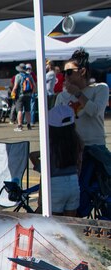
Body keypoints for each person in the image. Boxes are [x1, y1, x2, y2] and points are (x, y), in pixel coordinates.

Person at [55, 48, 111, 217]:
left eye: (69, 72)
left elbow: (94, 111)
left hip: (95, 148)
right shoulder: (62, 97)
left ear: (83, 71)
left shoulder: (100, 88)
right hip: (72, 151)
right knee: (73, 195)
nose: (65, 76)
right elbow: (57, 124)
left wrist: (78, 94)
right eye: (64, 72)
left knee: (104, 192)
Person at [29, 105, 83, 216]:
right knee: (70, 224)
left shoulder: (50, 144)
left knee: (53, 225)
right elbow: (79, 164)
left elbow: (35, 158)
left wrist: (37, 160)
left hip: (55, 184)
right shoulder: (77, 141)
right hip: (73, 182)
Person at [11, 63, 34, 131]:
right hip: (28, 95)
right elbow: (34, 86)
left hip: (20, 95)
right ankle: (29, 125)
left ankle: (20, 126)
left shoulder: (18, 76)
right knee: (28, 111)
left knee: (19, 111)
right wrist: (31, 93)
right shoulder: (29, 76)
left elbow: (15, 86)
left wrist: (13, 93)